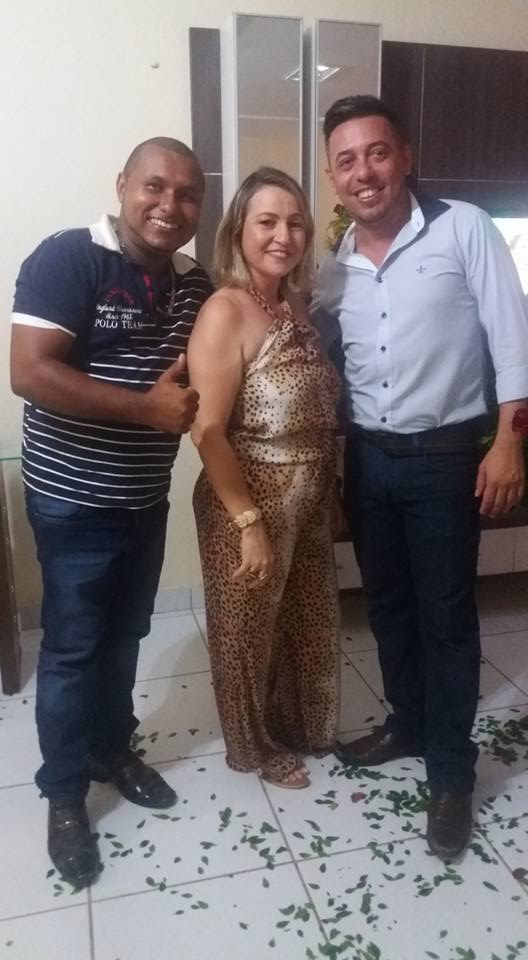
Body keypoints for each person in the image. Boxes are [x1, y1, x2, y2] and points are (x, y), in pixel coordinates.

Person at [311, 95, 528, 859]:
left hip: (445, 458)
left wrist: (509, 443)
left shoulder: (463, 228)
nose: (364, 171)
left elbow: (513, 337)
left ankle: (451, 774)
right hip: (368, 460)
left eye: (377, 152)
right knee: (389, 607)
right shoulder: (335, 267)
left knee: (445, 617)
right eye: (346, 160)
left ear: (404, 156)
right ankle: (407, 723)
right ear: (334, 178)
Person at [10, 137, 212, 888]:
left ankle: (111, 749)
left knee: (125, 636)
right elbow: (29, 372)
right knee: (71, 652)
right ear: (123, 184)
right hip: (71, 500)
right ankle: (65, 795)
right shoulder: (69, 258)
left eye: (187, 194)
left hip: (143, 499)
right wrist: (147, 410)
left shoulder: (194, 284)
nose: (169, 206)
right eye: (154, 187)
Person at [188, 167, 341, 789]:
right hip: (245, 500)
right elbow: (207, 430)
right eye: (268, 222)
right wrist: (248, 523)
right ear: (239, 232)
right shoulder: (224, 310)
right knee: (247, 633)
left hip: (308, 499)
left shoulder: (295, 306)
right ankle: (253, 747)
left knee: (306, 620)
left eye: (296, 223)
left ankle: (299, 725)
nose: (284, 236)